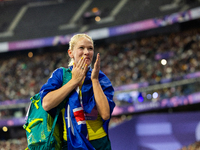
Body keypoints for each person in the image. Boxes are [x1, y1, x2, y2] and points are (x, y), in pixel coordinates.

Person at [40, 34, 115, 150]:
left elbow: (105, 114)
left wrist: (94, 80)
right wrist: (74, 81)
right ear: (71, 53)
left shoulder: (100, 77)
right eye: (81, 48)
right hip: (70, 143)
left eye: (90, 48)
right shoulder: (61, 75)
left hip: (99, 143)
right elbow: (46, 103)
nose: (87, 52)